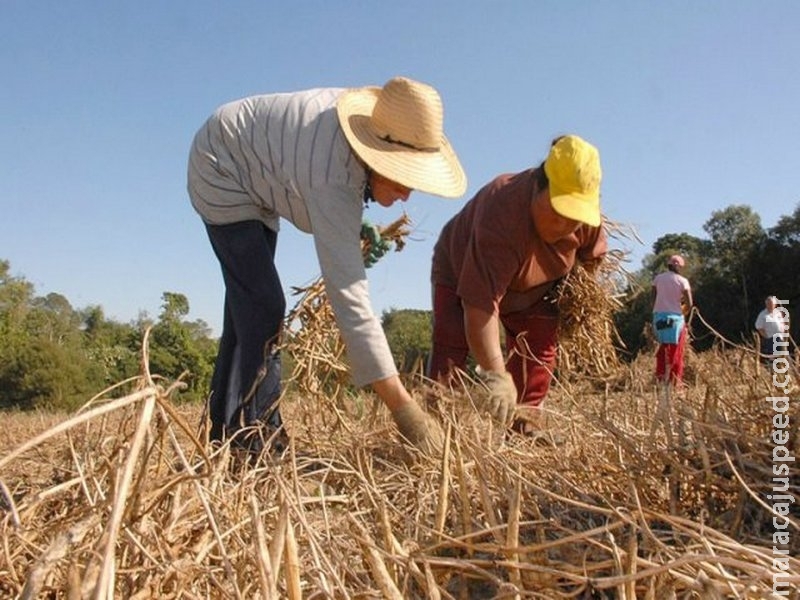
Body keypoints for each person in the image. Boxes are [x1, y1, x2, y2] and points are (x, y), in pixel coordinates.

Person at [187, 76, 467, 456]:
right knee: (262, 306)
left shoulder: (365, 138)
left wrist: (351, 225)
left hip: (254, 168)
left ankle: (226, 436)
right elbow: (350, 300)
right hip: (221, 165)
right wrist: (406, 411)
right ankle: (259, 443)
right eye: (403, 176)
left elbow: (323, 192)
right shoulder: (332, 173)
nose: (407, 193)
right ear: (375, 154)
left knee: (246, 312)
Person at [427, 135, 607, 433]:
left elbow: (589, 264)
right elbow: (481, 306)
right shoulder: (503, 209)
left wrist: (576, 301)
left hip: (535, 290)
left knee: (538, 352)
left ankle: (524, 427)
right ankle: (436, 428)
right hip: (461, 273)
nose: (565, 226)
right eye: (558, 211)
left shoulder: (588, 223)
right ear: (539, 184)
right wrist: (496, 375)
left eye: (574, 217)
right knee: (451, 344)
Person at [651, 255, 693, 386]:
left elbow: (653, 298)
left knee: (663, 348)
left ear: (668, 265)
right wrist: (684, 311)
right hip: (676, 319)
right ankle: (675, 380)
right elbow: (690, 303)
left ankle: (661, 378)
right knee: (676, 350)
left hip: (659, 317)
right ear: (679, 266)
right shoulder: (682, 281)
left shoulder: (657, 279)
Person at [755, 295, 790, 364]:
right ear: (766, 304)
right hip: (771, 339)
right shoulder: (763, 314)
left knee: (783, 357)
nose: (771, 305)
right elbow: (759, 327)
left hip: (780, 338)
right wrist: (767, 337)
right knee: (772, 359)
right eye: (769, 304)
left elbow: (783, 323)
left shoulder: (778, 313)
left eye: (772, 304)